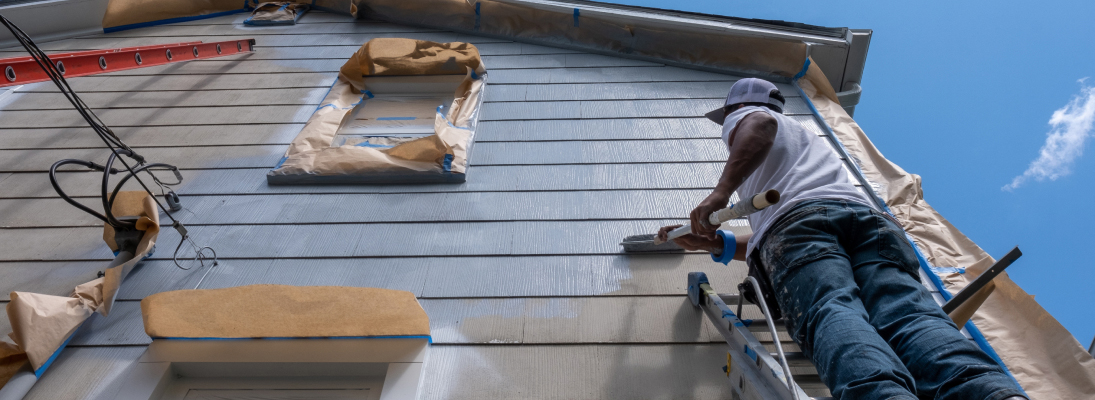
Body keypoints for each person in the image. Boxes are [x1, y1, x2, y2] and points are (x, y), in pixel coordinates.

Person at [657, 78, 1026, 400]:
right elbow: (795, 220)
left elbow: (761, 126)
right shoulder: (804, 138)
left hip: (801, 227)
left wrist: (720, 194)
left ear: (737, 106)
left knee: (832, 309)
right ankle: (988, 392)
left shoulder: (751, 117)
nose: (730, 126)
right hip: (867, 224)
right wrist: (716, 244)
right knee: (909, 314)